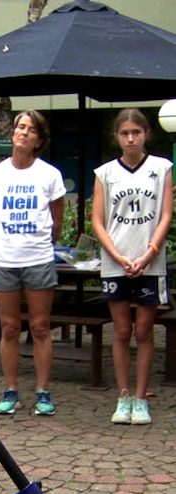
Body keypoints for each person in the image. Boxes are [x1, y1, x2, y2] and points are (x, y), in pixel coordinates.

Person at [0, 110, 66, 416]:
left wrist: (41, 242)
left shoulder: (49, 175)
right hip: (4, 259)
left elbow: (57, 218)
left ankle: (43, 391)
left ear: (39, 140)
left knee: (41, 327)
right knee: (10, 327)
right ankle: (11, 389)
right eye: (20, 126)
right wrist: (5, 239)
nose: (23, 132)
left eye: (30, 129)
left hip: (39, 259)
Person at [91, 108, 173, 425]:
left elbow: (165, 214)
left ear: (146, 134)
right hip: (117, 262)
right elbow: (98, 221)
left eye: (136, 132)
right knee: (122, 331)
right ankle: (123, 396)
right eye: (124, 133)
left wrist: (150, 252)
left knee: (144, 331)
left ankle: (141, 398)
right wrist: (118, 256)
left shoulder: (162, 168)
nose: (130, 138)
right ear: (116, 137)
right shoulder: (104, 173)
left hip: (150, 262)